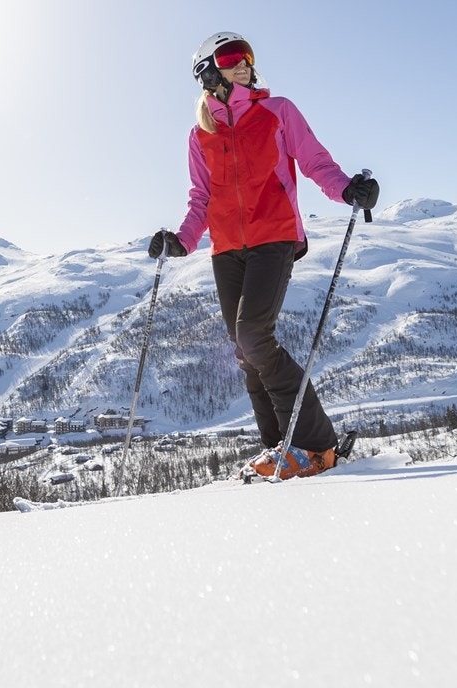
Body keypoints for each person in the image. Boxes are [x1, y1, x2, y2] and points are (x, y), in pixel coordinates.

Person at [149, 32, 378, 480]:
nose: (245, 64)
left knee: (254, 335)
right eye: (232, 57)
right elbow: (201, 198)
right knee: (243, 349)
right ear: (208, 72)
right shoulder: (200, 135)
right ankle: (279, 447)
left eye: (247, 57)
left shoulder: (277, 111)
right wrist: (182, 241)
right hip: (228, 247)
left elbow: (314, 161)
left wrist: (347, 188)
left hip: (273, 235)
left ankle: (317, 446)